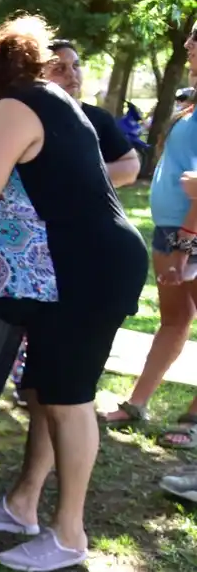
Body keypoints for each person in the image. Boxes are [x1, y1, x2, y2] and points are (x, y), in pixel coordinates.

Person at [0, 17, 148, 572]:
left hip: (88, 269)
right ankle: (22, 505)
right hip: (83, 266)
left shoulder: (15, 106)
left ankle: (70, 534)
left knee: (69, 398)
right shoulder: (46, 97)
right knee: (46, 392)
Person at [99, 25, 197, 441]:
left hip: (188, 231)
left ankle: (193, 422)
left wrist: (186, 243)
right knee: (174, 321)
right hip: (172, 229)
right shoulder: (191, 104)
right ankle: (136, 404)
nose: (189, 46)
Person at [44, 39, 141, 188]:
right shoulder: (25, 118)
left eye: (76, 66)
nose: (71, 74)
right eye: (59, 69)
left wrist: (81, 176)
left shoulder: (99, 118)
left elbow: (131, 167)